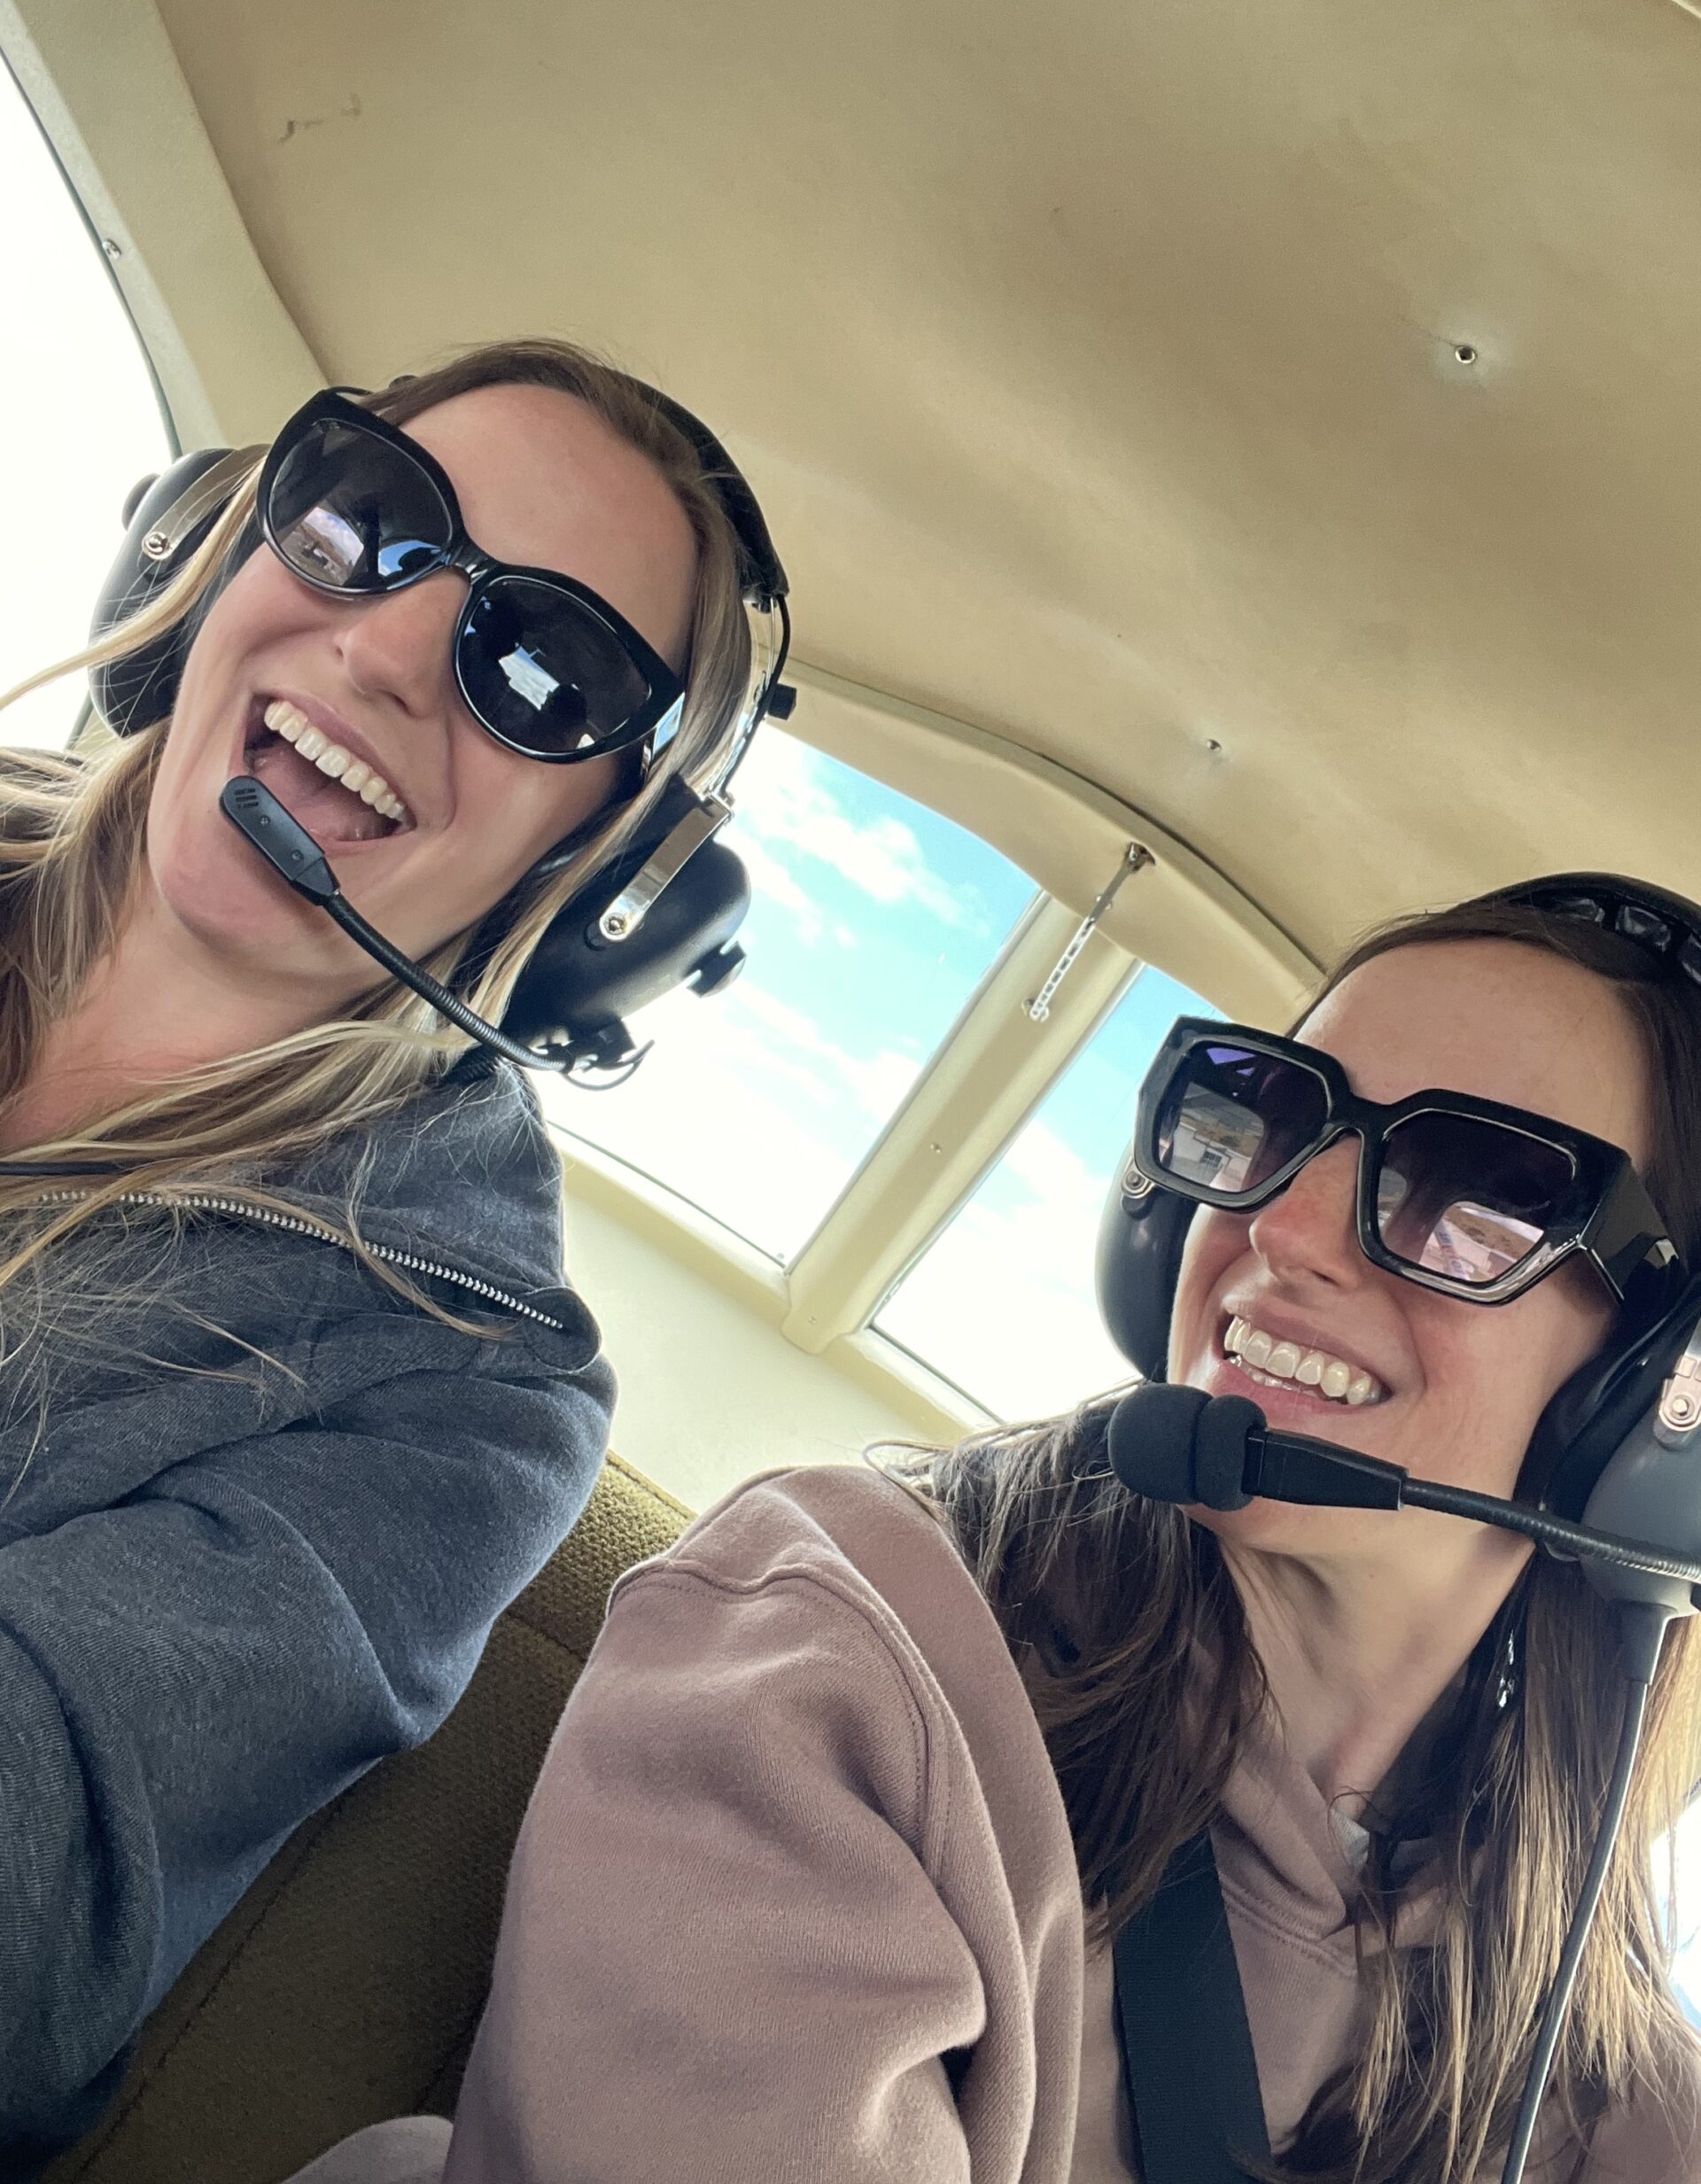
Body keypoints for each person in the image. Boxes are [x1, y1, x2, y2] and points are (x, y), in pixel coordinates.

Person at [300, 876, 1701, 2182]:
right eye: (1276, 1117)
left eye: (1475, 1191)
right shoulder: (846, 1656)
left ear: (1657, 1397)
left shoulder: (1604, 2078)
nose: (1287, 1224)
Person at [0, 338, 765, 2168]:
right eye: (375, 522)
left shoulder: (464, 1372)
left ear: (604, 881)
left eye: (546, 667)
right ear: (219, 543)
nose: (397, 646)